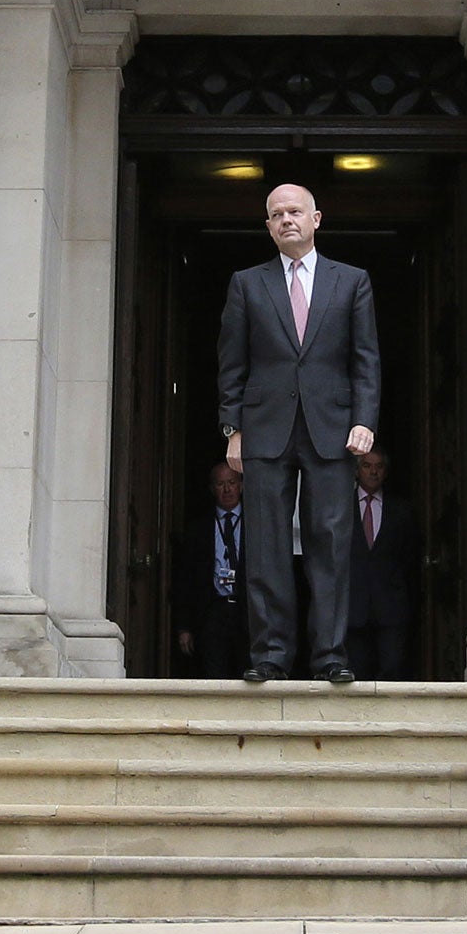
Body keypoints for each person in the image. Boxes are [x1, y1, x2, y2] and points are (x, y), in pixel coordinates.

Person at [217, 182, 381, 683]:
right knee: (265, 547)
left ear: (316, 219)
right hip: (265, 429)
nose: (287, 220)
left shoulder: (352, 281)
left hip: (331, 428)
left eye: (295, 212)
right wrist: (233, 428)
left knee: (329, 544)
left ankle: (330, 657)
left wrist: (364, 420)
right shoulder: (247, 283)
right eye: (276, 214)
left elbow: (365, 359)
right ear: (267, 226)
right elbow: (232, 361)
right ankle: (269, 656)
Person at [347, 449, 420, 681]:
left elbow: (411, 557)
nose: (374, 471)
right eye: (367, 465)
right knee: (356, 673)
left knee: (392, 668)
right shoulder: (341, 508)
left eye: (379, 466)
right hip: (352, 606)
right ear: (357, 471)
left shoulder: (401, 510)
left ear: (386, 472)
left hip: (391, 606)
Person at [173, 462, 250, 679]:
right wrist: (183, 627)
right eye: (220, 484)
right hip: (212, 612)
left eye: (232, 483)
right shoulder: (198, 529)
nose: (227, 490)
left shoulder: (257, 524)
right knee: (214, 675)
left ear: (241, 486)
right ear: (211, 489)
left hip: (247, 613)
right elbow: (185, 581)